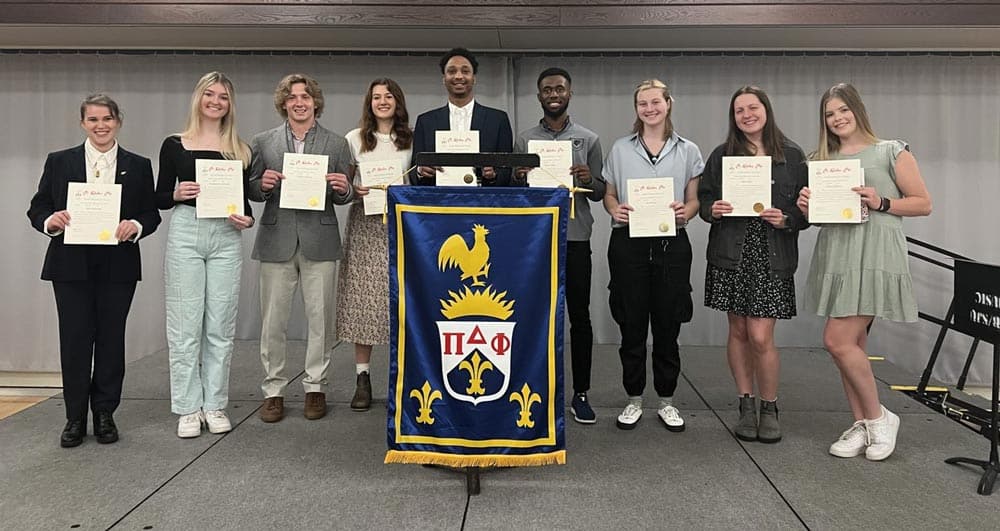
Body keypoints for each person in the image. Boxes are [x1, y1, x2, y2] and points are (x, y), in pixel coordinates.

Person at [798, 82, 931, 460]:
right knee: (852, 346)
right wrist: (810, 209)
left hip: (875, 251)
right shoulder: (820, 160)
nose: (837, 118)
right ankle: (861, 424)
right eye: (829, 114)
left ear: (857, 110)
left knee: (836, 340)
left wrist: (882, 201)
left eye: (843, 110)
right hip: (839, 252)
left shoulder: (891, 151)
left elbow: (923, 203)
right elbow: (823, 218)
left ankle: (879, 418)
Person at [28, 94, 161, 448]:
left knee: (110, 340)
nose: (100, 126)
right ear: (82, 123)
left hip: (118, 266)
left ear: (118, 120)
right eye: (93, 120)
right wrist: (50, 221)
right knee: (74, 341)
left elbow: (152, 214)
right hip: (69, 266)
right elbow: (38, 207)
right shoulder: (60, 162)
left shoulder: (139, 164)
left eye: (107, 119)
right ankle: (74, 417)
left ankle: (104, 413)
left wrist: (134, 224)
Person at [697, 86, 809, 444]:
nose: (746, 114)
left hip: (771, 254)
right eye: (739, 110)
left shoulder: (792, 156)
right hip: (731, 252)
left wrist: (787, 219)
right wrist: (710, 210)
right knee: (739, 332)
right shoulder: (721, 155)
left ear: (766, 110)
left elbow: (807, 212)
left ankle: (770, 406)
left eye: (753, 107)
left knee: (761, 335)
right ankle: (745, 403)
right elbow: (704, 200)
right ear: (733, 117)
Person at [247, 73, 354, 423]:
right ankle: (274, 390)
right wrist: (260, 185)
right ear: (284, 103)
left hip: (320, 240)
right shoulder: (263, 142)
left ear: (315, 102)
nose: (299, 102)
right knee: (272, 321)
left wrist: (342, 188)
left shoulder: (337, 144)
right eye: (292, 97)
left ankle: (315, 387)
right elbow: (250, 188)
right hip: (276, 238)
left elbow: (347, 193)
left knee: (320, 321)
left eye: (305, 96)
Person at [156, 72, 254, 438]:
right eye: (210, 94)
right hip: (186, 232)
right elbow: (159, 196)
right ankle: (187, 407)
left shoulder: (239, 149)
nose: (216, 101)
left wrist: (247, 219)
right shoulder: (174, 144)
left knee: (220, 326)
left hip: (226, 236)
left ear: (230, 105)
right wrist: (177, 195)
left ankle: (214, 404)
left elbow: (244, 205)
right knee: (184, 326)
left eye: (224, 97)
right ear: (199, 98)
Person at [603, 79, 703, 431]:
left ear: (668, 104)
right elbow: (609, 196)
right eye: (642, 103)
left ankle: (667, 400)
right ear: (637, 109)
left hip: (670, 244)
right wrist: (614, 209)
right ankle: (633, 398)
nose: (650, 108)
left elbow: (694, 200)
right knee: (631, 324)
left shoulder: (688, 150)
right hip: (628, 243)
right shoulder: (619, 148)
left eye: (655, 102)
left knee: (667, 324)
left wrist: (685, 213)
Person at [513, 67, 605, 424]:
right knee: (532, 316)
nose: (554, 93)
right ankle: (531, 389)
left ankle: (580, 393)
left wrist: (588, 178)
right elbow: (511, 193)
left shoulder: (589, 139)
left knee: (579, 317)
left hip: (576, 238)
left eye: (560, 88)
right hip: (535, 240)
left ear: (569, 94)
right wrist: (519, 177)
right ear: (539, 96)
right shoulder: (524, 140)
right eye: (547, 89)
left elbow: (600, 192)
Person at [337, 78, 413, 411]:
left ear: (398, 101)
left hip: (402, 226)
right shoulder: (354, 139)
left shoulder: (411, 139)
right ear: (369, 103)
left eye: (389, 96)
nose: (382, 102)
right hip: (366, 225)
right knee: (363, 302)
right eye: (376, 97)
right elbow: (342, 186)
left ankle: (402, 378)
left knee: (402, 301)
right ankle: (363, 378)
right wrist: (355, 191)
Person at [410, 47, 513, 186]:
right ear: (444, 79)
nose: (458, 76)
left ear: (474, 78)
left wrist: (494, 175)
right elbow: (413, 170)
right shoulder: (425, 122)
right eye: (451, 71)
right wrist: (420, 171)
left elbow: (508, 172)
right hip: (437, 203)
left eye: (465, 71)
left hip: (484, 203)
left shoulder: (498, 120)